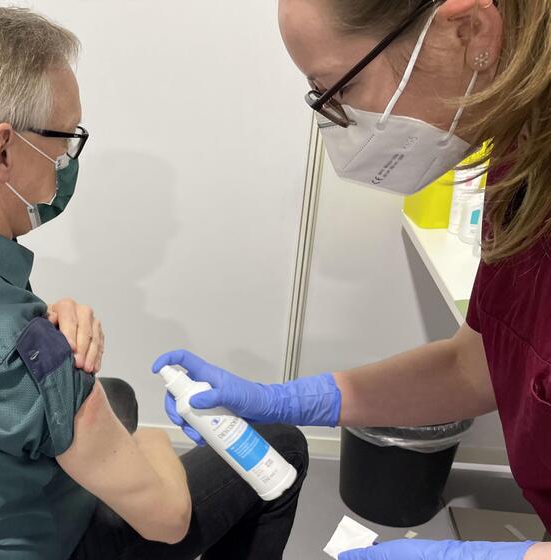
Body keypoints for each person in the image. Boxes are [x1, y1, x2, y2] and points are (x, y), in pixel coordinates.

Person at [0, 5, 307, 560]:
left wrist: (44, 332)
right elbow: (168, 520)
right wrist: (152, 440)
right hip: (46, 549)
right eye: (65, 139)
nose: (68, 158)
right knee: (281, 447)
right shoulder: (25, 360)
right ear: (2, 151)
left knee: (117, 395)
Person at [155, 1, 551, 559]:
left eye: (341, 87)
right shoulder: (520, 161)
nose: (338, 121)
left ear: (470, 30)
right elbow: (479, 365)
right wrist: (286, 400)